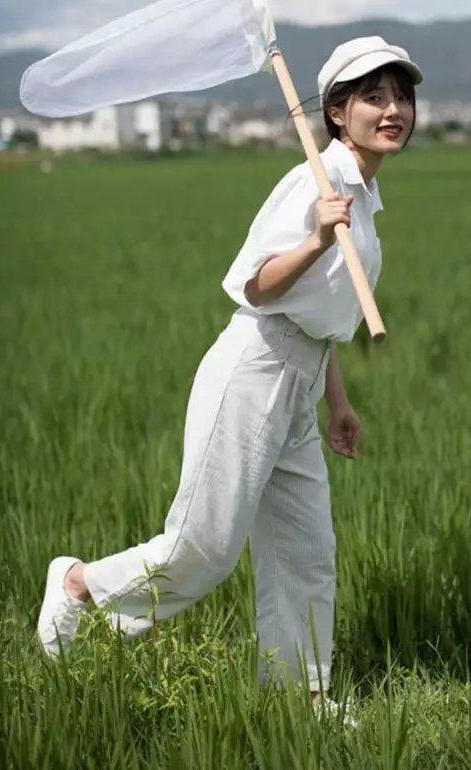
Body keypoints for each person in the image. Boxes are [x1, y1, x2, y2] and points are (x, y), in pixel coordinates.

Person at [36, 35, 423, 720]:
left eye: (401, 97)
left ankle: (300, 698)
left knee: (305, 553)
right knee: (203, 548)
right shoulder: (313, 182)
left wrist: (338, 402)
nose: (393, 110)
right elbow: (256, 285)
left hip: (301, 380)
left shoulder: (362, 197)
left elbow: (324, 317)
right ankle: (77, 585)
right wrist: (312, 240)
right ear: (336, 112)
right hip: (254, 371)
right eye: (374, 97)